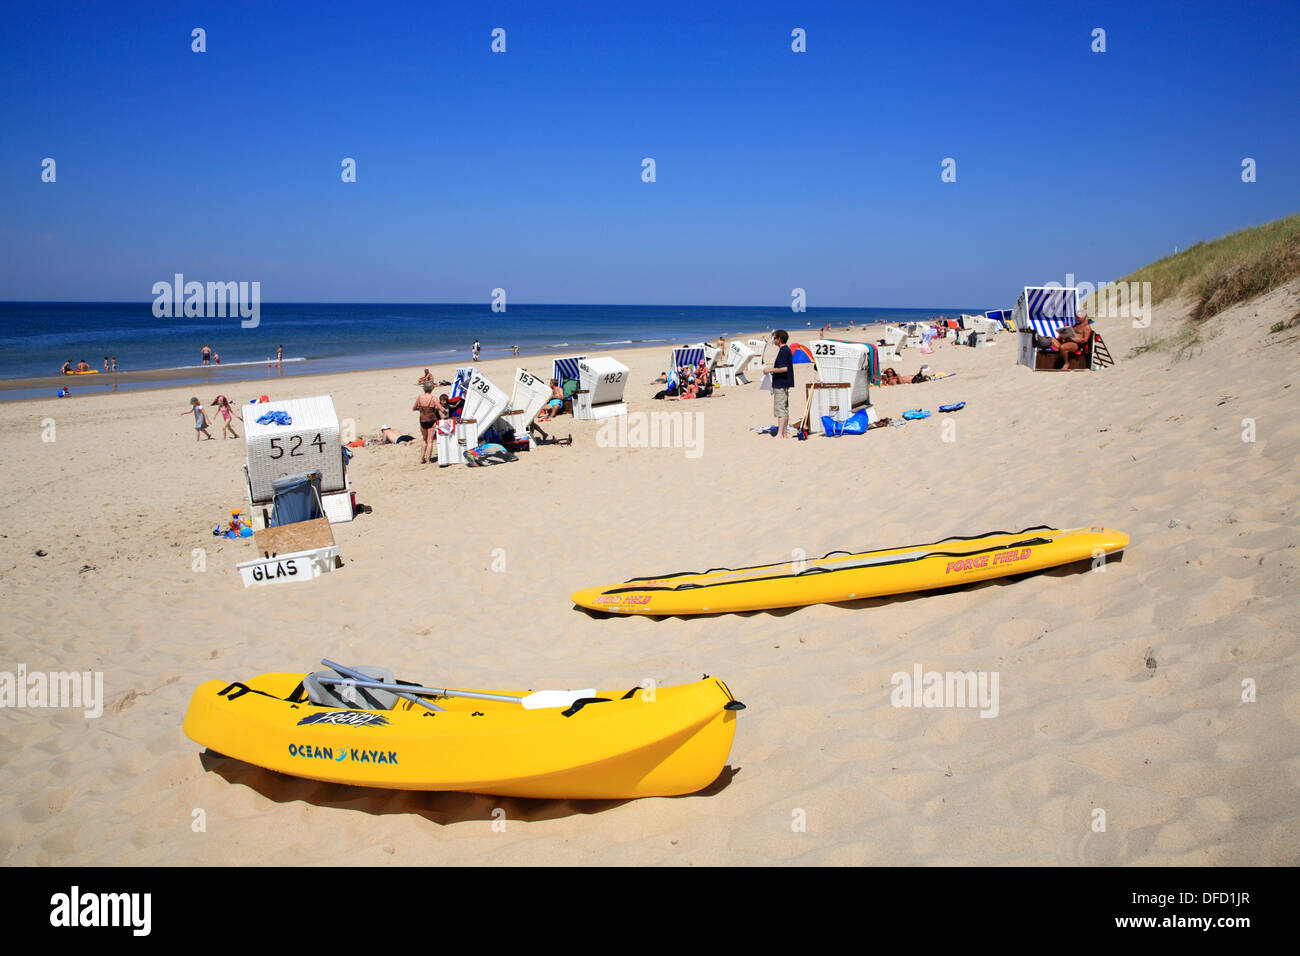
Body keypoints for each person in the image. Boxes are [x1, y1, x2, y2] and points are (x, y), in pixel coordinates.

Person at [764, 329, 793, 438]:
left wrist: (770, 370)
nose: (773, 340)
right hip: (784, 383)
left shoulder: (784, 350)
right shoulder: (786, 350)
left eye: (775, 338)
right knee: (784, 408)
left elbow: (784, 368)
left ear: (779, 339)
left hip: (781, 383)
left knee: (780, 409)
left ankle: (780, 434)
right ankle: (784, 433)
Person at [413, 383, 440, 464]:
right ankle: (428, 459)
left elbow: (414, 408)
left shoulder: (420, 397)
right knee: (430, 441)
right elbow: (440, 408)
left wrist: (421, 409)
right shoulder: (433, 398)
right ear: (432, 389)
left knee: (424, 439)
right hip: (431, 420)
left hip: (422, 420)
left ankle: (422, 458)